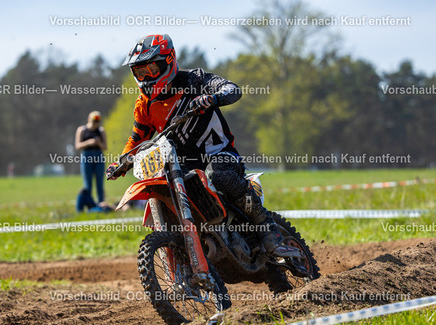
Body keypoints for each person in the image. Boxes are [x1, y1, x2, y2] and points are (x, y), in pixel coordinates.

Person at [107, 34, 295, 256]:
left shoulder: (195, 81)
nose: (146, 77)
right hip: (181, 165)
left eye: (151, 70)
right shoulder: (144, 105)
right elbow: (137, 140)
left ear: (169, 61)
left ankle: (269, 233)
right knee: (163, 188)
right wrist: (121, 163)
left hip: (220, 153)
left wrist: (213, 98)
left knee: (219, 175)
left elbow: (232, 89)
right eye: (140, 72)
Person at [75, 111, 110, 212]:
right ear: (89, 119)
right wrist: (89, 142)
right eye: (94, 121)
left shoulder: (101, 130)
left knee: (100, 182)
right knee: (88, 184)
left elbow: (105, 147)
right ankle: (89, 204)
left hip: (98, 155)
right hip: (87, 156)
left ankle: (101, 205)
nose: (95, 124)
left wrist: (98, 143)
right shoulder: (82, 130)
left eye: (97, 121)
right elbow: (78, 146)